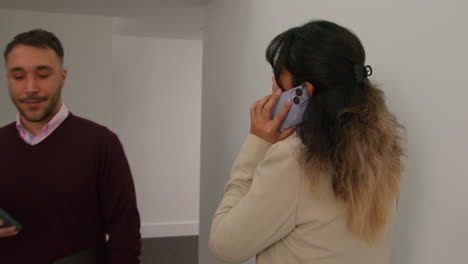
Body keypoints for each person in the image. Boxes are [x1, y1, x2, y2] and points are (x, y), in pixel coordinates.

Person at [209, 20, 404, 264]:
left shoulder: (293, 160)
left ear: (303, 92)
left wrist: (257, 144)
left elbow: (225, 245)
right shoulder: (385, 153)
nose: (273, 88)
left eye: (278, 79)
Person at [0, 29, 141, 263]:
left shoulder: (102, 144)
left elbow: (124, 232)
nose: (30, 87)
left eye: (43, 75)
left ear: (63, 77)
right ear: (7, 78)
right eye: (18, 76)